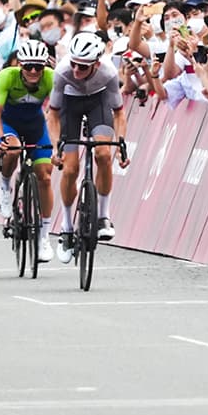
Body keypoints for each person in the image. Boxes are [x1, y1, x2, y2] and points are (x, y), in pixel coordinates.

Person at [47, 32, 126, 259]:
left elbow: (119, 114)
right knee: (70, 169)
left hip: (97, 103)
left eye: (82, 67)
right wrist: (55, 147)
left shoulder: (109, 72)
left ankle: (103, 215)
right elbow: (52, 115)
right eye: (74, 64)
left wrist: (119, 143)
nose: (76, 71)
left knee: (103, 154)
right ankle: (66, 226)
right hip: (69, 106)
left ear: (96, 64)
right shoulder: (62, 72)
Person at [0, 38, 57, 262]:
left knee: (45, 176)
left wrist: (60, 143)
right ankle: (5, 186)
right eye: (28, 66)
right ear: (20, 65)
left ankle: (44, 236)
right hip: (9, 123)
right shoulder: (6, 76)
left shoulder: (51, 78)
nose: (33, 71)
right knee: (14, 150)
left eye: (39, 66)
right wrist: (0, 138)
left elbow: (59, 113)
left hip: (36, 125)